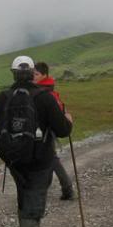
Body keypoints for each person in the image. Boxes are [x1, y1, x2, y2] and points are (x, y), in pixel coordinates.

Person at [0, 56, 73, 227]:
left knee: (25, 198)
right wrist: (68, 120)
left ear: (12, 73)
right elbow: (63, 130)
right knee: (33, 207)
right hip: (41, 161)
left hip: (14, 161)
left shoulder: (2, 98)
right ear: (33, 72)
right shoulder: (44, 97)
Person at [34, 62, 74, 200]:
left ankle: (66, 187)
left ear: (44, 75)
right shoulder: (47, 88)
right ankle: (64, 188)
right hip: (44, 132)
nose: (33, 76)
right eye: (33, 74)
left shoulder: (44, 92)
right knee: (50, 158)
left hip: (45, 132)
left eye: (36, 74)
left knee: (51, 159)